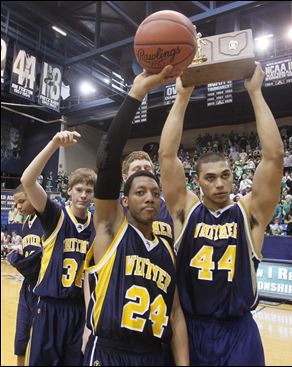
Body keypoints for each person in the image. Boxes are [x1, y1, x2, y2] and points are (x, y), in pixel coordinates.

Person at [158, 62, 284, 366]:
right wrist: (182, 96)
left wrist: (255, 93)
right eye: (211, 177)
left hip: (239, 331)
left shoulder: (249, 213)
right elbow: (166, 155)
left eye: (225, 175)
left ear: (233, 176)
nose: (219, 183)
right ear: (197, 182)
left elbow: (275, 156)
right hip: (193, 328)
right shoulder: (186, 210)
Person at [83, 65, 189, 366]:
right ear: (124, 200)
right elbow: (107, 158)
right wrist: (136, 93)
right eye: (140, 192)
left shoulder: (167, 249)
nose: (150, 198)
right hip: (110, 352)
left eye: (155, 193)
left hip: (153, 355)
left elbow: (176, 313)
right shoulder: (110, 228)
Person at [20, 132, 97, 366]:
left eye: (89, 191)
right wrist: (53, 144)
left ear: (94, 195)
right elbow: (28, 180)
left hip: (78, 310)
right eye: (79, 189)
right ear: (69, 191)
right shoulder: (56, 215)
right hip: (49, 306)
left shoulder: (96, 224)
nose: (83, 195)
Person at [7, 185, 43, 366]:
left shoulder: (46, 221)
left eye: (22, 201)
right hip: (27, 287)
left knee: (38, 339)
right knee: (21, 336)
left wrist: (22, 263)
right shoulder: (25, 225)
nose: (18, 206)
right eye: (16, 203)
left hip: (43, 289)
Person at [121, 150, 173, 243]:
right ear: (125, 177)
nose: (143, 172)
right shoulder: (114, 207)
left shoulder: (169, 204)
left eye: (147, 168)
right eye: (136, 169)